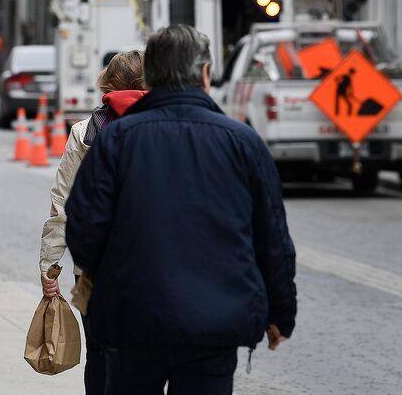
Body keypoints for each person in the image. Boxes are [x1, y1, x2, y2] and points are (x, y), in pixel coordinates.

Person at [66, 25, 297, 395]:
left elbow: (83, 228)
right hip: (214, 322)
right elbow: (272, 239)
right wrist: (281, 313)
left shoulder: (116, 139)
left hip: (132, 318)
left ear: (152, 76)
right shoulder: (242, 142)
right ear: (205, 74)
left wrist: (107, 283)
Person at [39, 50, 145, 395]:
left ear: (108, 84)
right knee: (146, 355)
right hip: (153, 263)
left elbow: (63, 202)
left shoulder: (85, 132)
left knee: (99, 351)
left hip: (93, 267)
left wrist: (50, 265)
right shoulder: (166, 126)